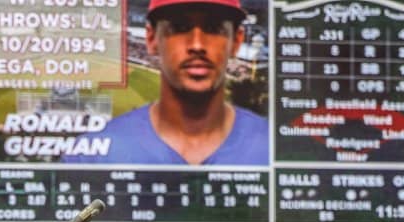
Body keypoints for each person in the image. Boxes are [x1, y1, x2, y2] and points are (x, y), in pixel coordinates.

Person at [66, 0, 267, 165]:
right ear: (151, 38)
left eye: (213, 28)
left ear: (237, 41)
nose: (197, 45)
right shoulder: (91, 154)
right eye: (179, 28)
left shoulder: (276, 150)